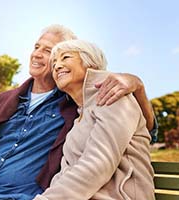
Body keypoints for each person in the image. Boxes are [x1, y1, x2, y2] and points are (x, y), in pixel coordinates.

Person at [0, 25, 157, 200]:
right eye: (36, 47)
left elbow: (142, 132)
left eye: (52, 52)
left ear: (87, 62)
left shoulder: (79, 105)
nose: (39, 54)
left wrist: (138, 86)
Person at [34, 39, 154, 200]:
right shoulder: (79, 117)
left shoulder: (112, 96)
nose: (57, 66)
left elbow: (98, 164)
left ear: (90, 62)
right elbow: (66, 172)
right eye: (54, 62)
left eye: (66, 57)